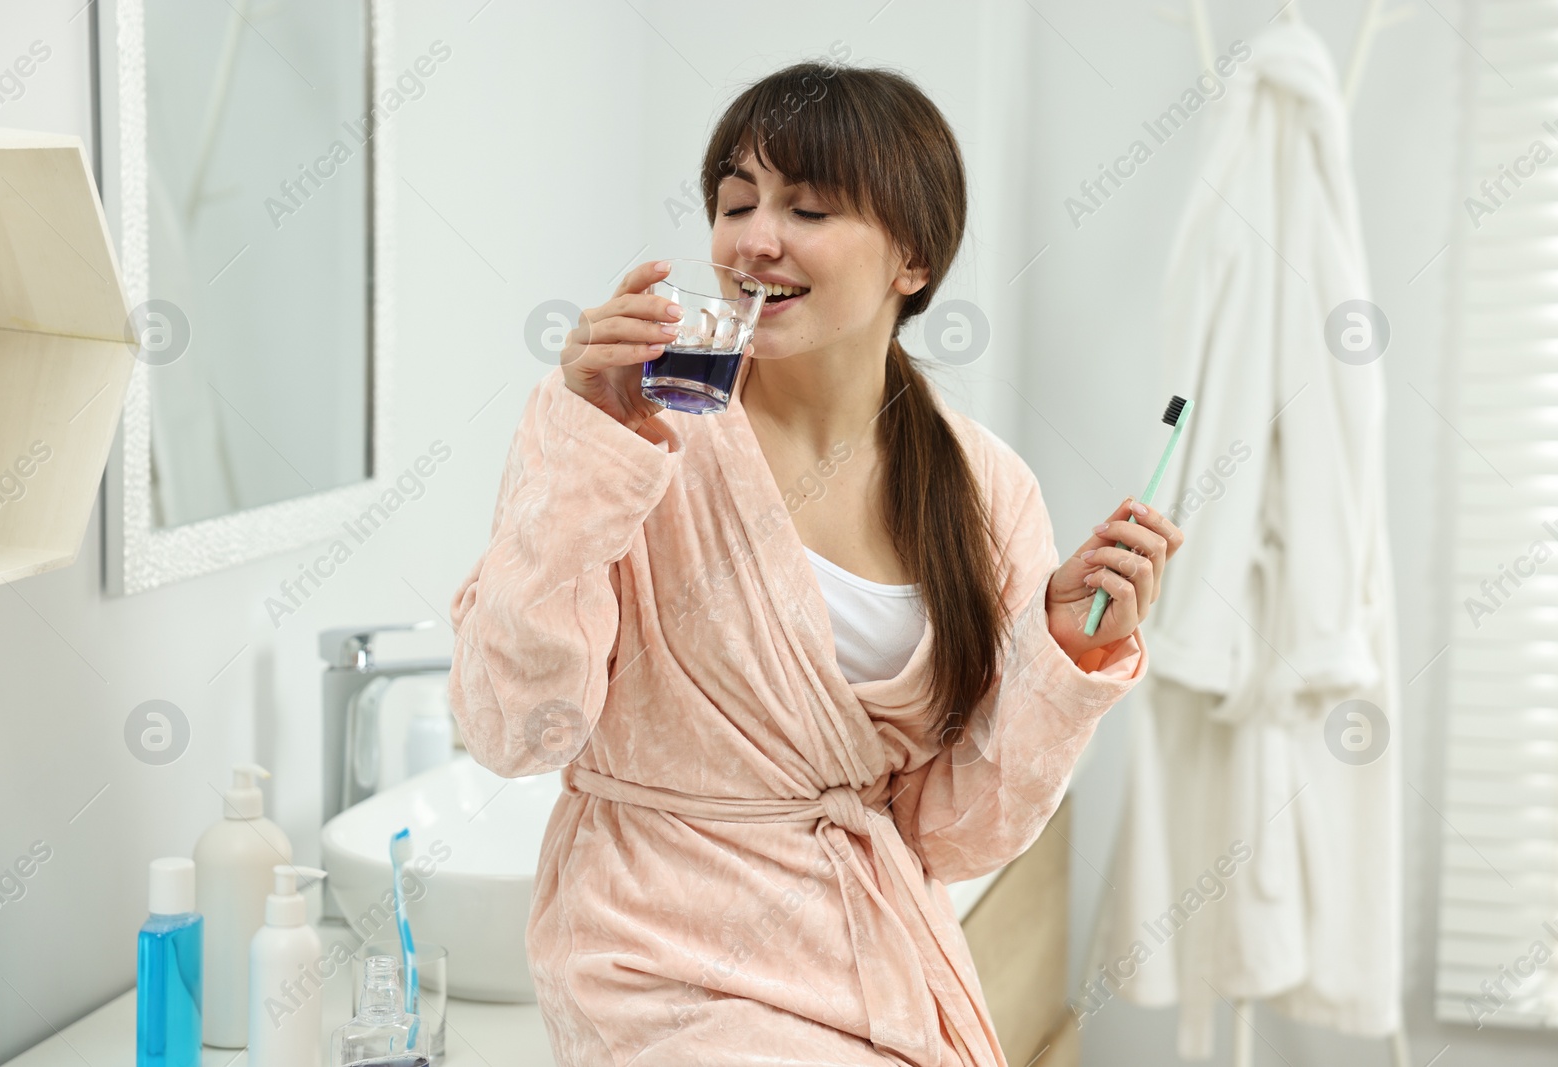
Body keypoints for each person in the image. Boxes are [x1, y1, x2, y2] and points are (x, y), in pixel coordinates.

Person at [449, 60, 1182, 1067]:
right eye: (735, 201)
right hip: (658, 957)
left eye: (808, 207)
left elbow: (953, 835)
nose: (754, 237)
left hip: (866, 958)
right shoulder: (626, 426)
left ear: (910, 259)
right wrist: (589, 447)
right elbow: (508, 727)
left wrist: (1057, 657)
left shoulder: (983, 489)